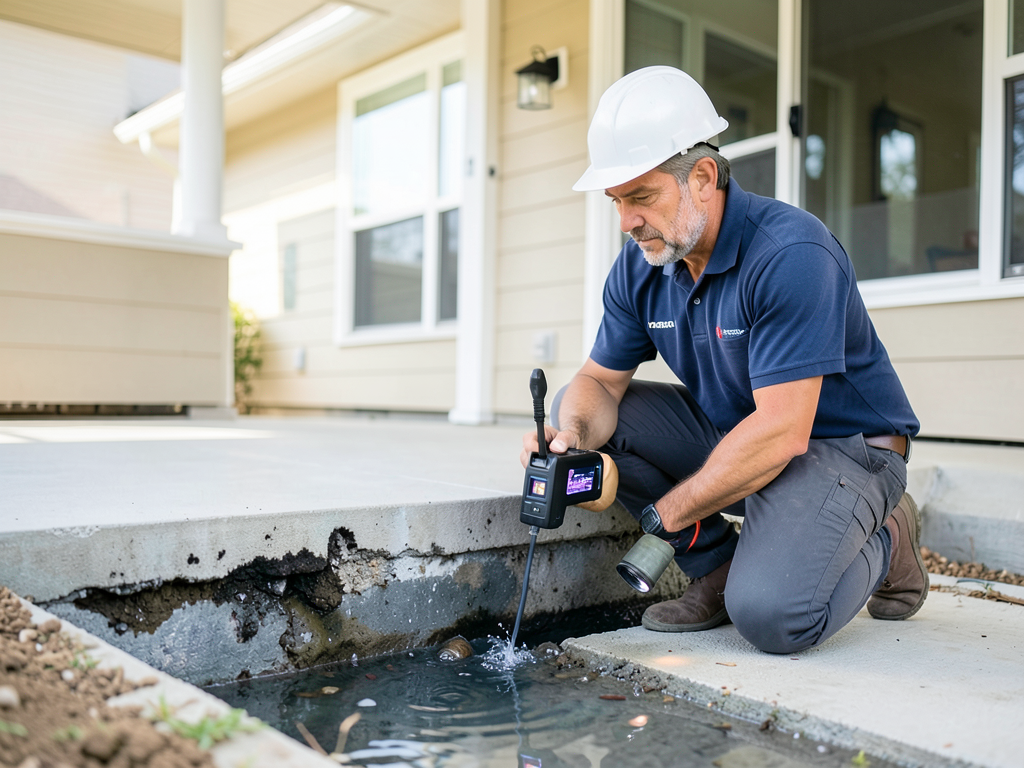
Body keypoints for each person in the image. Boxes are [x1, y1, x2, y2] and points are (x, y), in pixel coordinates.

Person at [520, 66, 927, 654]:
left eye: (642, 196)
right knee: (579, 408)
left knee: (773, 618)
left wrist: (670, 511)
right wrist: (571, 439)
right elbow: (599, 382)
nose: (627, 222)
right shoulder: (645, 263)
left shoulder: (791, 253)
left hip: (844, 448)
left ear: (704, 178)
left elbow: (784, 430)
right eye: (616, 201)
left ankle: (888, 529)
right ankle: (716, 567)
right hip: (747, 431)